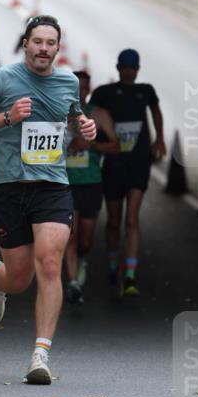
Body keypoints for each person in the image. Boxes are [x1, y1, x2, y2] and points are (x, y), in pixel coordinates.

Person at [0, 14, 97, 386]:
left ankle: (41, 354)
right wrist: (6, 117)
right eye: (38, 41)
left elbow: (74, 118)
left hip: (52, 185)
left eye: (51, 43)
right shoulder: (1, 79)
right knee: (19, 276)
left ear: (57, 47)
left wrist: (85, 126)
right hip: (9, 186)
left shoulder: (68, 82)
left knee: (49, 263)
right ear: (26, 43)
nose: (44, 49)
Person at [91, 49, 166, 297]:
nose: (129, 72)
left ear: (138, 69)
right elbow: (90, 113)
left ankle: (130, 275)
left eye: (133, 68)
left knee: (131, 218)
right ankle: (113, 266)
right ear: (118, 68)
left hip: (138, 163)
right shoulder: (105, 93)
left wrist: (160, 139)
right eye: (125, 67)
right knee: (113, 221)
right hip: (113, 164)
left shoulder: (145, 91)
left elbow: (155, 111)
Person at [64, 71, 119, 305]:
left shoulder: (98, 114)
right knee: (70, 237)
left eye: (85, 88)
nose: (81, 92)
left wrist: (91, 145)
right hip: (65, 184)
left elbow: (117, 146)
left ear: (89, 90)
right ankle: (74, 283)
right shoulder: (58, 114)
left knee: (85, 240)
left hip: (91, 182)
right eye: (77, 88)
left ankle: (82, 259)